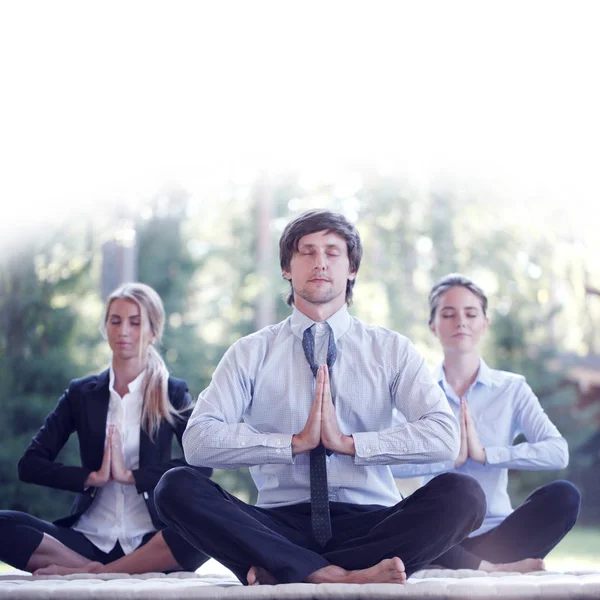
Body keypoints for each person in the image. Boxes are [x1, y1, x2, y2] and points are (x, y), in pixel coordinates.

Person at [155, 210, 486, 586]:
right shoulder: (250, 352)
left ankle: (295, 569)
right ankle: (341, 574)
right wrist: (292, 444)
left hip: (371, 522)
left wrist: (349, 445)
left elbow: (444, 437)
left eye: (332, 252)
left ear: (351, 268)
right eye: (306, 252)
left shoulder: (391, 349)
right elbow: (197, 442)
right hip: (279, 523)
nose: (320, 263)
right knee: (175, 486)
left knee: (465, 495)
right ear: (286, 268)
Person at [0, 282, 212, 575]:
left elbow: (202, 462)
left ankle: (90, 573)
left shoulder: (170, 392)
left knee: (206, 528)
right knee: (4, 525)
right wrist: (91, 477)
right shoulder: (81, 394)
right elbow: (30, 464)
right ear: (105, 328)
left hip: (150, 539)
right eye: (115, 321)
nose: (123, 330)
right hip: (86, 539)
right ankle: (98, 568)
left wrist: (132, 476)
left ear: (153, 332)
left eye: (135, 322)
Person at [392, 273, 581, 572]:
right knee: (388, 515)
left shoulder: (512, 388)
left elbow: (557, 451)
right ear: (433, 325)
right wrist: (447, 457)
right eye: (448, 314)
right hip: (438, 536)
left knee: (564, 496)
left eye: (470, 313)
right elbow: (388, 463)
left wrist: (487, 455)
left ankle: (478, 564)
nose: (461, 322)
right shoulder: (416, 390)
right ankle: (491, 569)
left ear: (484, 322)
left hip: (499, 535)